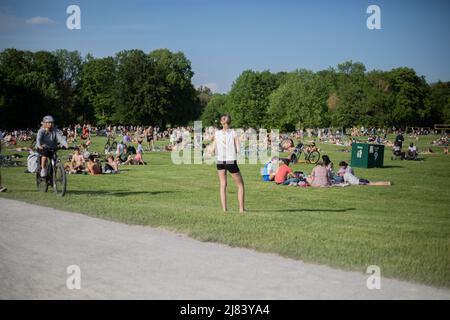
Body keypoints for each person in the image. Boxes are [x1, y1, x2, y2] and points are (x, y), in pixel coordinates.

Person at [212, 115, 245, 213]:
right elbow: (238, 149)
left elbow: (213, 149)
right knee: (240, 185)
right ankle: (241, 209)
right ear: (230, 122)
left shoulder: (217, 133)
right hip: (231, 161)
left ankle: (224, 209)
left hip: (220, 161)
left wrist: (212, 151)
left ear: (221, 122)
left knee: (223, 185)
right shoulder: (234, 133)